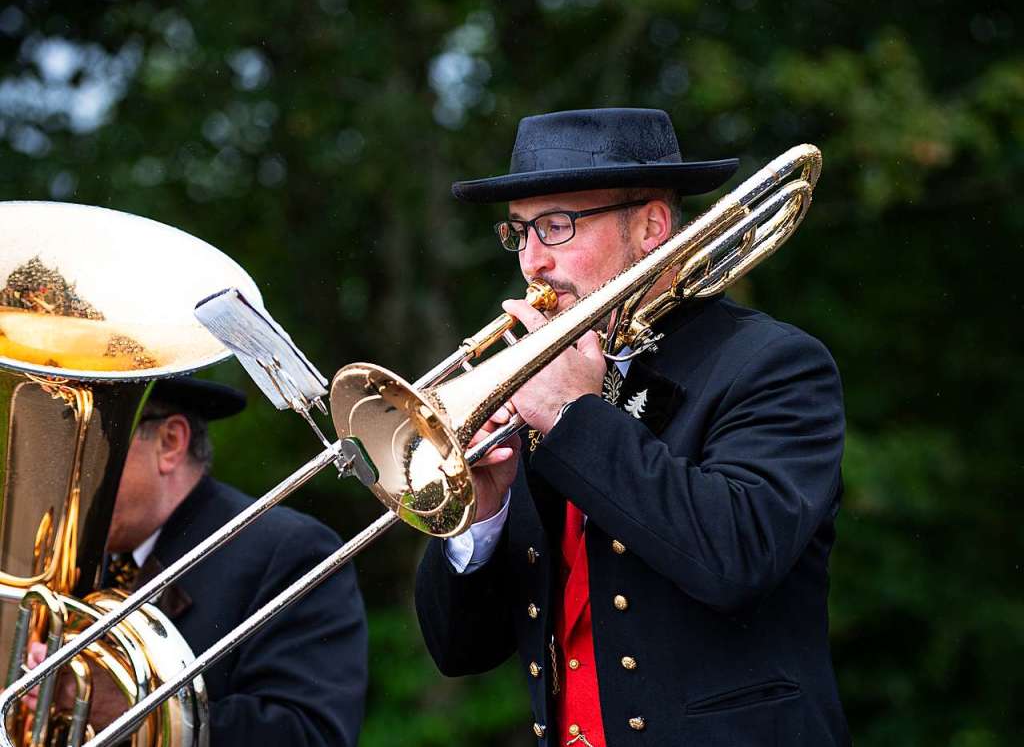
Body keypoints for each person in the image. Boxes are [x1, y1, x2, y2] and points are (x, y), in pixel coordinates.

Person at [415, 108, 849, 746]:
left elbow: (735, 559)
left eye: (557, 226)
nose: (532, 261)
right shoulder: (537, 382)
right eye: (519, 233)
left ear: (650, 225)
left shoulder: (774, 364)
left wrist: (572, 418)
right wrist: (480, 513)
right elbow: (461, 651)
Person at [30, 376, 368, 746]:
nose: (68, 474)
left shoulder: (290, 550)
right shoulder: (71, 557)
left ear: (170, 443)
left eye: (90, 444)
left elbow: (310, 735)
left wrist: (133, 707)